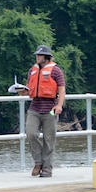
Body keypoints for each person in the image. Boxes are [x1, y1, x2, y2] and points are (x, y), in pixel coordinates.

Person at [18, 44, 66, 178]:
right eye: (36, 55)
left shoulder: (56, 71)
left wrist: (59, 105)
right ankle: (38, 162)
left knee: (49, 139)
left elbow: (62, 89)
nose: (37, 57)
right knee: (31, 133)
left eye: (39, 55)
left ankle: (47, 168)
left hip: (50, 109)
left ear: (46, 56)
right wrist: (22, 92)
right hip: (35, 107)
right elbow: (29, 90)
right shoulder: (32, 70)